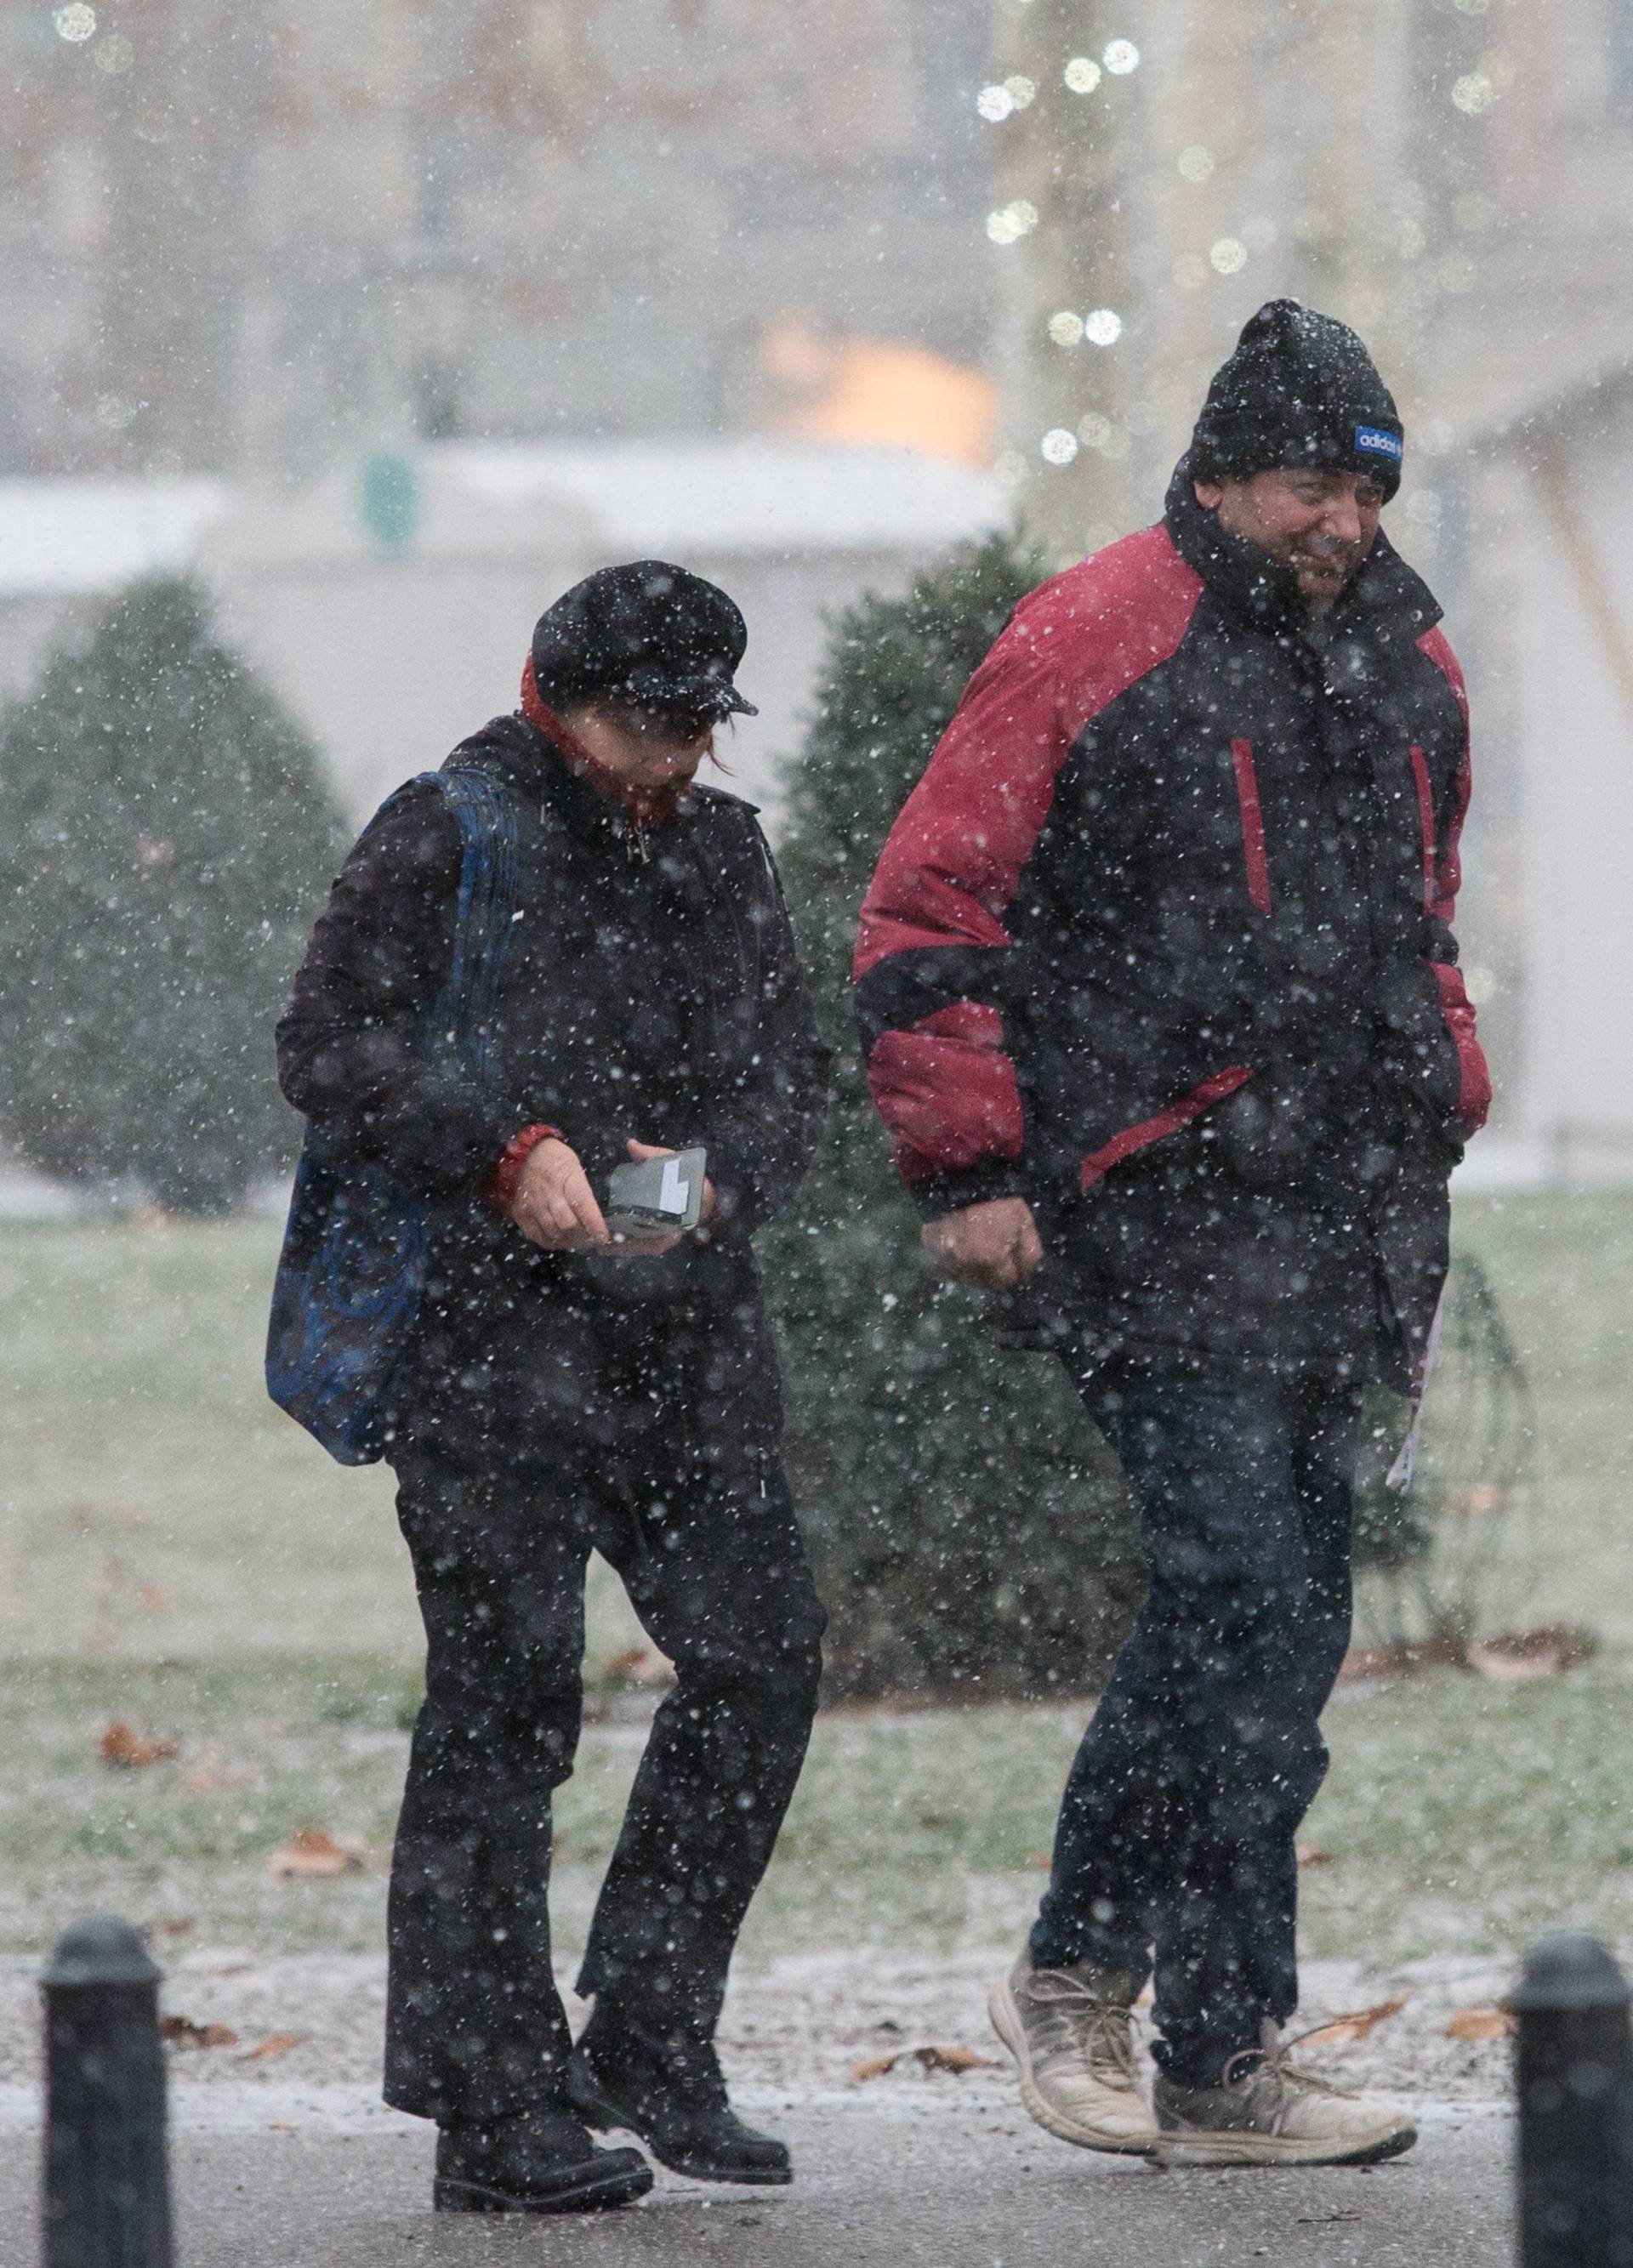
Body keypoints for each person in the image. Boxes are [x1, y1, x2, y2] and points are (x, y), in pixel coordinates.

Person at [853, 302, 1488, 2168]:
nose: (1345, 520)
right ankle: (1083, 1981)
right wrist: (966, 1165)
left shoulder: (1413, 654)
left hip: (1351, 1214)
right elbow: (926, 903)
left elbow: (1424, 912)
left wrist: (1443, 1076)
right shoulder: (1090, 631)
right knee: (1234, 1594)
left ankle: (1219, 2054)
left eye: (1370, 484)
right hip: (1152, 1198)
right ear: (1219, 471)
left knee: (1284, 1634)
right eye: (1312, 479)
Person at [277, 561, 830, 2214]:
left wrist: (716, 1177)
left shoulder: (725, 850)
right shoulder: (447, 827)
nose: (676, 764)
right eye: (649, 726)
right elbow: (325, 1041)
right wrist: (503, 1150)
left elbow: (789, 1073)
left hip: (685, 1338)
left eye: (696, 730)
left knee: (765, 1656)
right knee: (503, 1709)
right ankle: (487, 2098)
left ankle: (653, 2024)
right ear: (557, 695)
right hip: (483, 1352)